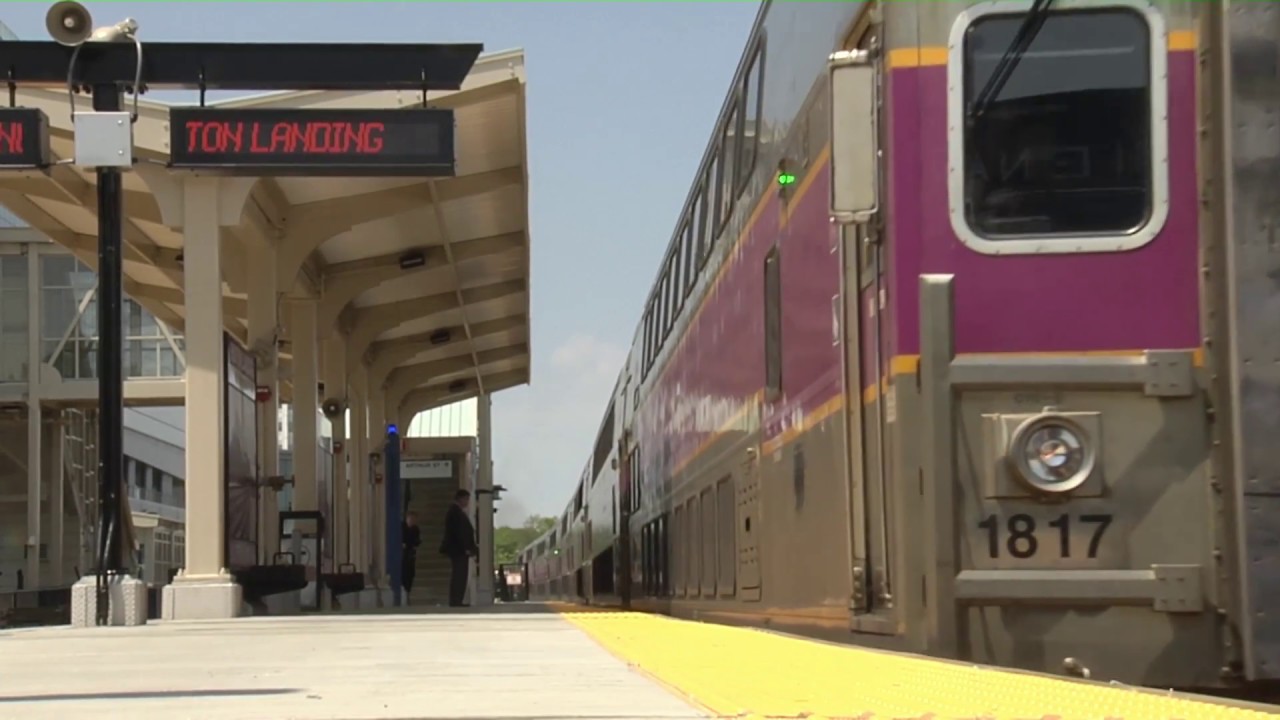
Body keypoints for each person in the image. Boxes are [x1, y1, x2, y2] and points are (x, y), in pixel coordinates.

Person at [439, 489, 479, 607]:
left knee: (460, 575)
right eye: (466, 499)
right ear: (460, 498)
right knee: (459, 575)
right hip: (459, 550)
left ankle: (457, 600)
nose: (467, 502)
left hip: (459, 549)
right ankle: (456, 600)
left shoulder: (457, 512)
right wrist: (466, 547)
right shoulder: (455, 512)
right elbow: (459, 532)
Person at [401, 511, 421, 601]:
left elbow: (416, 541)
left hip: (411, 554)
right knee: (404, 573)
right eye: (411, 519)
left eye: (414, 520)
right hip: (403, 555)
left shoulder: (415, 529)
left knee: (410, 574)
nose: (413, 521)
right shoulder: (402, 528)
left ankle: (407, 592)